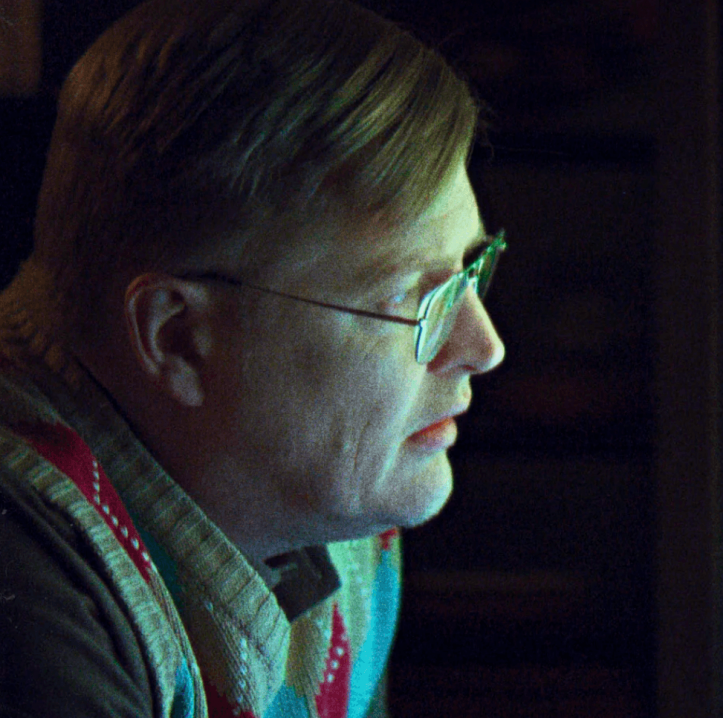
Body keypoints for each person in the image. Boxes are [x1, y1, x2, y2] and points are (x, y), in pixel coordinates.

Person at [0, 1, 505, 716]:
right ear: (178, 337)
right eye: (419, 300)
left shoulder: (339, 507)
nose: (485, 347)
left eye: (470, 270)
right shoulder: (27, 587)